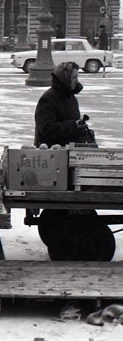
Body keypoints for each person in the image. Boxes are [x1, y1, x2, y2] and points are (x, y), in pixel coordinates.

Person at [34, 62, 109, 261]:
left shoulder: (70, 97)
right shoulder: (49, 98)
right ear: (65, 78)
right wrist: (73, 126)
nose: (76, 80)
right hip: (53, 158)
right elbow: (47, 128)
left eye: (77, 77)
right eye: (74, 77)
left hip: (70, 155)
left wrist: (79, 128)